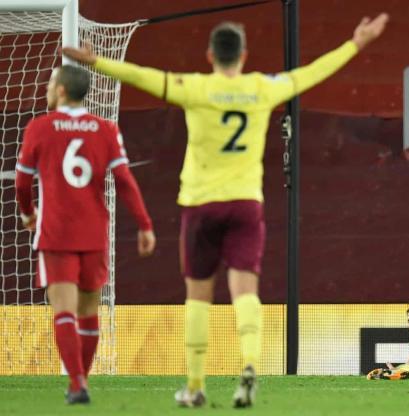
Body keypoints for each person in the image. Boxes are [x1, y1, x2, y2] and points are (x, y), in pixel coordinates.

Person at [62, 13, 389, 408]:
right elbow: (311, 73)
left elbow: (142, 76)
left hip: (200, 205)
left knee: (198, 296)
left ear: (210, 56)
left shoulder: (195, 88)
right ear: (244, 55)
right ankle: (249, 365)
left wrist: (97, 62)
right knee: (245, 292)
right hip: (245, 204)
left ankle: (195, 385)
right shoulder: (261, 88)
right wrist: (356, 43)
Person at [15, 65, 156, 404]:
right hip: (93, 233)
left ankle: (77, 383)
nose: (47, 89)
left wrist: (28, 213)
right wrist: (144, 224)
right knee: (89, 310)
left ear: (61, 90)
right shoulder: (105, 129)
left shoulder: (39, 127)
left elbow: (21, 182)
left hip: (55, 233)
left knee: (63, 310)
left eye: (50, 84)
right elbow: (124, 181)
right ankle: (82, 382)